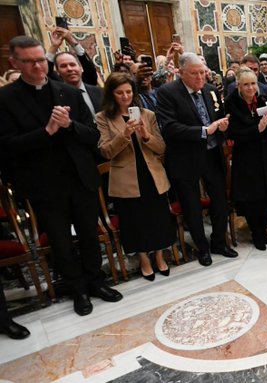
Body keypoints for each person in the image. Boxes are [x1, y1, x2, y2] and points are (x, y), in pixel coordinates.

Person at [0, 36, 122, 316]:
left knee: (90, 235)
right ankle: (77, 289)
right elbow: (6, 147)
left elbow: (93, 136)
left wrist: (68, 125)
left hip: (81, 178)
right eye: (29, 62)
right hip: (45, 185)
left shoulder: (67, 92)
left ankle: (95, 281)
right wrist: (46, 132)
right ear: (14, 63)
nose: (38, 66)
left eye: (41, 60)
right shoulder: (6, 99)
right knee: (61, 241)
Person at [156, 52, 238, 266]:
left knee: (220, 201)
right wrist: (204, 130)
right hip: (185, 158)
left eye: (203, 72)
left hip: (212, 155)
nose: (200, 77)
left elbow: (217, 116)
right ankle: (202, 248)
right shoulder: (168, 92)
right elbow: (170, 127)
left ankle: (218, 242)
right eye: (195, 74)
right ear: (181, 73)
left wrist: (222, 127)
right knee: (191, 206)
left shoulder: (210, 90)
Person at [96, 73, 176, 281]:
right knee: (135, 222)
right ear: (111, 94)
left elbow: (161, 147)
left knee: (158, 219)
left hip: (151, 174)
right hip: (126, 178)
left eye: (129, 92)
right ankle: (144, 260)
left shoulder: (147, 114)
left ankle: (159, 257)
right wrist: (124, 134)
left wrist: (145, 135)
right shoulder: (103, 117)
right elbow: (105, 151)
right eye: (120, 92)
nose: (125, 97)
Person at [227, 69, 267, 250]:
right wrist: (257, 129)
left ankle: (264, 231)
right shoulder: (231, 103)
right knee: (253, 199)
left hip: (264, 155)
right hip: (245, 157)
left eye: (253, 83)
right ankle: (256, 233)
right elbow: (234, 133)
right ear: (238, 86)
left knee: (265, 196)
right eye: (246, 84)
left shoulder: (263, 100)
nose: (251, 88)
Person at [54, 51, 103, 118]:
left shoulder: (100, 92)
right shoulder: (56, 98)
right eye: (63, 66)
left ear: (81, 68)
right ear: (58, 72)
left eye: (72, 64)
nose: (69, 69)